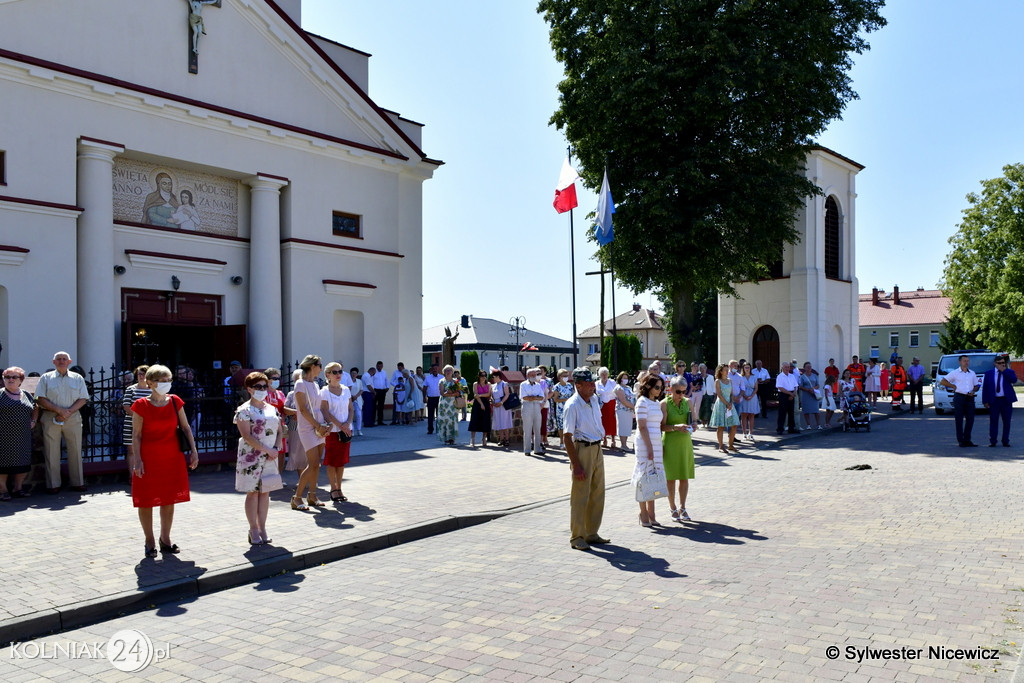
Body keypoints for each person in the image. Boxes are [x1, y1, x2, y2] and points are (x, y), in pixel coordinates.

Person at [130, 365, 199, 557]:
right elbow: (136, 435)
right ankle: (149, 540)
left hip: (172, 457)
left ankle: (165, 539)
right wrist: (137, 460)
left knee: (169, 499)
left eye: (168, 380)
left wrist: (194, 451)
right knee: (146, 500)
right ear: (150, 383)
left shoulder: (175, 401)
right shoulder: (141, 405)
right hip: (148, 457)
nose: (166, 384)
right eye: (162, 380)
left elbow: (185, 428)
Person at [234, 372, 283, 545]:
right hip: (251, 457)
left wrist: (276, 448)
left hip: (270, 456)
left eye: (264, 386)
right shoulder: (244, 410)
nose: (262, 390)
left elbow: (280, 429)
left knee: (265, 492)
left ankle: (262, 528)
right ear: (249, 389)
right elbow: (246, 435)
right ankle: (253, 528)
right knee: (253, 493)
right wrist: (267, 449)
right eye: (258, 387)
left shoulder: (271, 408)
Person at [563, 367, 609, 551]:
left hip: (597, 447)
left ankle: (591, 533)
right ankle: (577, 536)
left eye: (593, 382)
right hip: (582, 449)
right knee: (580, 496)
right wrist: (576, 465)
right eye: (589, 383)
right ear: (578, 385)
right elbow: (567, 436)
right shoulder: (572, 405)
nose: (593, 386)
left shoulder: (594, 399)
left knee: (598, 492)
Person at [34, 351, 90, 494]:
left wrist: (68, 412)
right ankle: (53, 484)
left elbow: (83, 398)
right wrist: (60, 411)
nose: (61, 361)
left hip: (73, 418)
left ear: (69, 361)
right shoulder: (46, 378)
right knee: (51, 451)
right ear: (53, 362)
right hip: (51, 417)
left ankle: (77, 482)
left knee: (76, 450)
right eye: (58, 359)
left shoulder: (77, 378)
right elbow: (40, 398)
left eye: (64, 359)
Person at [292, 355, 331, 510]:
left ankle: (312, 496)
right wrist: (317, 425)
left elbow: (319, 407)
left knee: (316, 465)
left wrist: (325, 425)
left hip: (319, 425)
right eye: (320, 365)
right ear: (312, 366)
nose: (321, 368)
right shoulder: (300, 384)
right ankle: (297, 497)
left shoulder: (315, 384)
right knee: (313, 463)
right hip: (307, 427)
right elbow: (302, 409)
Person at [632, 374, 666, 527]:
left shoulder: (656, 403)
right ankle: (643, 513)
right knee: (644, 476)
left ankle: (652, 514)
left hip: (656, 442)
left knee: (654, 476)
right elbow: (642, 426)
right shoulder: (642, 402)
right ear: (648, 386)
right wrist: (650, 447)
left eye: (661, 387)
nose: (659, 390)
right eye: (657, 387)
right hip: (645, 444)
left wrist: (659, 445)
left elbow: (658, 426)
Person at [0, 367, 38, 500]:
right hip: (3, 436)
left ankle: (18, 488)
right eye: (7, 377)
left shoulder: (26, 394)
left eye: (14, 377)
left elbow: (35, 408)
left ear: (21, 380)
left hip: (23, 436)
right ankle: (3, 490)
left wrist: (33, 420)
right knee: (2, 464)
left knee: (22, 462)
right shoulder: (0, 394)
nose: (10, 380)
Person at [662, 375, 695, 522]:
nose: (681, 395)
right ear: (670, 389)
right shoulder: (664, 404)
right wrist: (675, 427)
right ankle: (672, 507)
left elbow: (694, 420)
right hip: (670, 442)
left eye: (684, 391)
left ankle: (683, 507)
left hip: (685, 443)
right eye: (678, 392)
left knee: (684, 476)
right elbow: (661, 426)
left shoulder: (688, 402)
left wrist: (693, 425)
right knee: (671, 478)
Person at [320, 362, 354, 502]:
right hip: (332, 431)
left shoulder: (346, 389)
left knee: (341, 461)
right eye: (334, 372)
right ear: (328, 375)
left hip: (346, 430)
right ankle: (333, 488)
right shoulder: (324, 391)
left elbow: (351, 408)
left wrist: (347, 424)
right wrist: (340, 425)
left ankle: (339, 488)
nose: (338, 374)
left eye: (340, 371)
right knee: (332, 461)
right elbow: (325, 411)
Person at [939, 354, 980, 447]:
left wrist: (974, 390)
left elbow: (977, 385)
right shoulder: (955, 373)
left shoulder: (972, 373)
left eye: (968, 361)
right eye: (964, 361)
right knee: (959, 419)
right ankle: (961, 440)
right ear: (960, 362)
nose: (966, 363)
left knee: (970, 419)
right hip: (959, 397)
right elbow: (943, 381)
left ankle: (967, 439)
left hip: (969, 398)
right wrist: (953, 386)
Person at [982, 354, 1017, 447]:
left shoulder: (1009, 371)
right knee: (993, 421)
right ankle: (993, 441)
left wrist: (1004, 371)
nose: (1002, 364)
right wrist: (985, 401)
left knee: (1007, 421)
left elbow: (1014, 380)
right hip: (994, 401)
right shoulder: (989, 373)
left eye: (1003, 363)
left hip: (1006, 400)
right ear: (995, 364)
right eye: (1000, 363)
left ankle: (1005, 441)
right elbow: (985, 388)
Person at [121, 365, 151, 466]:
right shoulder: (131, 389)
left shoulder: (152, 390)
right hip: (131, 424)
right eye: (139, 374)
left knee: (146, 450)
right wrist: (138, 418)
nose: (141, 376)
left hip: (148, 424)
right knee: (132, 451)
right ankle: (132, 476)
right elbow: (126, 406)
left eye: (143, 374)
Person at [709, 364, 740, 453]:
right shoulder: (718, 381)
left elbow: (731, 393)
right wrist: (726, 403)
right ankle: (721, 446)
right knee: (721, 426)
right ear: (721, 371)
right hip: (721, 404)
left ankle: (730, 445)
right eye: (725, 370)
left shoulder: (730, 380)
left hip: (729, 404)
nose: (727, 371)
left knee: (734, 424)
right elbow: (719, 394)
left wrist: (730, 402)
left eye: (727, 370)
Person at [594, 367, 617, 448]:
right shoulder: (597, 383)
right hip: (601, 404)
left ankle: (613, 440)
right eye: (602, 374)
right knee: (602, 421)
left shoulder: (612, 382)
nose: (604, 375)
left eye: (605, 374)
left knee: (612, 421)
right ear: (599, 375)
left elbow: (616, 393)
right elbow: (596, 394)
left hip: (611, 403)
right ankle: (604, 439)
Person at [436, 365, 460, 445]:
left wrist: (451, 393)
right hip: (444, 404)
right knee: (444, 420)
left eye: (450, 370)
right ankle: (446, 438)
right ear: (444, 372)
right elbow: (442, 393)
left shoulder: (455, 381)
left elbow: (458, 392)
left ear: (452, 372)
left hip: (453, 404)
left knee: (452, 420)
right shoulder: (441, 381)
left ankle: (452, 438)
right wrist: (451, 394)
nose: (448, 372)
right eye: (446, 370)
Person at [468, 371, 491, 447]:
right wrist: (481, 404)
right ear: (479, 376)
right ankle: (472, 439)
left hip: (486, 402)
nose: (484, 377)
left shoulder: (488, 384)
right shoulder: (475, 384)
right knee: (475, 420)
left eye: (485, 375)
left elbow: (488, 394)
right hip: (477, 404)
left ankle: (484, 439)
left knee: (486, 420)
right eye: (482, 375)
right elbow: (475, 395)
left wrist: (480, 395)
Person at [775, 362, 799, 435]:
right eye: (786, 367)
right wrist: (789, 394)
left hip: (792, 394)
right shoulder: (780, 376)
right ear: (782, 367)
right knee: (782, 412)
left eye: (788, 367)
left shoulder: (792, 376)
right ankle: (780, 429)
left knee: (791, 412)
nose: (787, 368)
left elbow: (795, 386)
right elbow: (780, 387)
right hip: (783, 395)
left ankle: (791, 428)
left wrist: (793, 394)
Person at [613, 371, 635, 450]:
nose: (625, 379)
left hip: (629, 410)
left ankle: (625, 444)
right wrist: (634, 407)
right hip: (622, 410)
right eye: (624, 378)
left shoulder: (628, 388)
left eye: (626, 378)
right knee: (622, 426)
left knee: (627, 427)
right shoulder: (618, 388)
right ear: (620, 378)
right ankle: (623, 445)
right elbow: (623, 400)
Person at [490, 370, 512, 447]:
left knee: (504, 422)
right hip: (496, 405)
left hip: (503, 405)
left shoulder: (504, 384)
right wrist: (493, 402)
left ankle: (507, 439)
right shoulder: (493, 386)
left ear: (498, 376)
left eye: (494, 377)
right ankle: (501, 439)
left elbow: (507, 394)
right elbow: (491, 396)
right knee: (499, 422)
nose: (493, 378)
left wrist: (501, 402)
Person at [738, 362, 759, 440]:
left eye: (748, 367)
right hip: (743, 396)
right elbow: (739, 387)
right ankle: (744, 433)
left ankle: (751, 433)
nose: (747, 369)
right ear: (743, 368)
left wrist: (751, 396)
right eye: (745, 367)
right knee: (744, 415)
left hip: (752, 397)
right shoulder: (740, 377)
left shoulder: (754, 377)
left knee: (751, 415)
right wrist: (744, 395)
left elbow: (756, 388)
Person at [798, 362, 821, 429]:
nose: (809, 368)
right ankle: (808, 425)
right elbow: (800, 386)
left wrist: (813, 389)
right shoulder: (802, 377)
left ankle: (819, 425)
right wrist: (807, 390)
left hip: (814, 394)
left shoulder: (814, 375)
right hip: (806, 395)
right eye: (807, 367)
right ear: (804, 368)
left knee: (816, 410)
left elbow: (818, 385)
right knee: (806, 410)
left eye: (810, 367)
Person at [551, 369, 574, 437]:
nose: (566, 377)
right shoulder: (557, 387)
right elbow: (555, 399)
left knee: (570, 423)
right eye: (564, 376)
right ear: (560, 377)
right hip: (561, 408)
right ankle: (561, 440)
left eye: (567, 375)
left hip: (570, 407)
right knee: (561, 425)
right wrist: (567, 399)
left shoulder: (569, 385)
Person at [423, 364, 442, 434]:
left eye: (436, 368)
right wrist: (424, 397)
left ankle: (439, 429)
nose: (435, 370)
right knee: (430, 415)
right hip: (430, 398)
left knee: (439, 415)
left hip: (439, 398)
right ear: (432, 369)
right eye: (433, 369)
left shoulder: (442, 377)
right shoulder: (428, 378)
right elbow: (424, 388)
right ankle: (430, 429)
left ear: (438, 369)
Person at [371, 361, 389, 426]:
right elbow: (371, 381)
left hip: (382, 391)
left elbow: (386, 380)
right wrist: (372, 390)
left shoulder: (384, 372)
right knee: (373, 406)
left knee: (381, 406)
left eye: (381, 366)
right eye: (378, 366)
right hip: (375, 391)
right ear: (376, 366)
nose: (380, 367)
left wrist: (387, 387)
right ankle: (372, 421)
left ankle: (380, 421)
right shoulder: (374, 372)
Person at [348, 368, 365, 435]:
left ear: (357, 374)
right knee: (350, 415)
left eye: (355, 373)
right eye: (352, 373)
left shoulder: (359, 381)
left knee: (358, 414)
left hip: (357, 399)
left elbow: (361, 390)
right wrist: (351, 397)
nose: (353, 374)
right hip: (350, 399)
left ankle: (359, 430)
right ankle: (352, 430)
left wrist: (356, 396)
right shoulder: (348, 381)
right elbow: (347, 390)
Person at [699, 363, 716, 427]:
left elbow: (713, 386)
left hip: (710, 394)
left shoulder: (711, 377)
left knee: (709, 409)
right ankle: (703, 422)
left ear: (706, 369)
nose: (703, 370)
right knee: (702, 408)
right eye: (701, 368)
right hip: (702, 394)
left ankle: (709, 422)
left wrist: (714, 395)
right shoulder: (699, 376)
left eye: (704, 368)